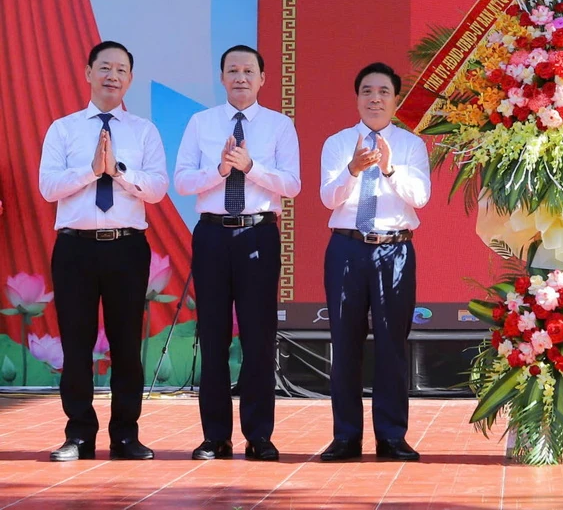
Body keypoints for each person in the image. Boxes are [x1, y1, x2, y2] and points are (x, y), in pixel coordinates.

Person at [39, 41, 168, 461]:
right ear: (88, 72)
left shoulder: (143, 131)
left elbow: (158, 187)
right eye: (105, 67)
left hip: (126, 249)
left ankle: (125, 435)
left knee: (126, 345)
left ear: (130, 78)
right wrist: (90, 171)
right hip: (75, 249)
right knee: (76, 345)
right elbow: (49, 187)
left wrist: (119, 171)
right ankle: (78, 434)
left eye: (121, 70)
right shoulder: (64, 128)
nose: (113, 75)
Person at [174, 45, 301, 461]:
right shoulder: (201, 123)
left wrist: (250, 167)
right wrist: (220, 171)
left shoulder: (280, 126)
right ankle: (215, 437)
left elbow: (292, 185)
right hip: (211, 235)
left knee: (258, 339)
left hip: (257, 234)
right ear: (222, 77)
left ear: (263, 78)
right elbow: (182, 182)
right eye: (233, 70)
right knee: (212, 338)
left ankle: (259, 436)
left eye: (249, 70)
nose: (241, 77)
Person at [319, 62, 430, 462]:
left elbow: (419, 197)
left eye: (383, 91)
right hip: (347, 248)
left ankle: (391, 436)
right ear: (357, 98)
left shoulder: (410, 145)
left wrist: (387, 167)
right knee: (344, 345)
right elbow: (329, 198)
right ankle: (346, 437)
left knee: (391, 346)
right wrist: (353, 169)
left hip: (394, 249)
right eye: (367, 91)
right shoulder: (337, 143)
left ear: (395, 99)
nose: (375, 98)